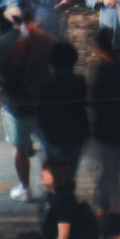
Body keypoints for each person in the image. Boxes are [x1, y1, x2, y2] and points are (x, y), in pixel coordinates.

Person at [0, 6, 56, 202]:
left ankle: (25, 188)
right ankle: (50, 187)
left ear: (12, 19)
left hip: (15, 104)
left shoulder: (2, 41)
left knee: (20, 148)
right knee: (48, 147)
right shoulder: (47, 40)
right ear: (32, 17)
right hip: (42, 103)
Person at [89, 30, 120, 217]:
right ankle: (106, 203)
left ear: (99, 48)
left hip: (105, 127)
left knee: (110, 168)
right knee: (113, 167)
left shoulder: (101, 71)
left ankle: (107, 206)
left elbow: (95, 100)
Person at [38, 157, 101, 239]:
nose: (42, 173)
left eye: (48, 171)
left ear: (58, 175)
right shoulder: (51, 195)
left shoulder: (64, 200)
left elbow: (63, 235)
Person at [38, 39, 93, 171]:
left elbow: (39, 111)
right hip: (76, 135)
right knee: (71, 170)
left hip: (53, 136)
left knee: (56, 172)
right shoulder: (80, 82)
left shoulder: (46, 85)